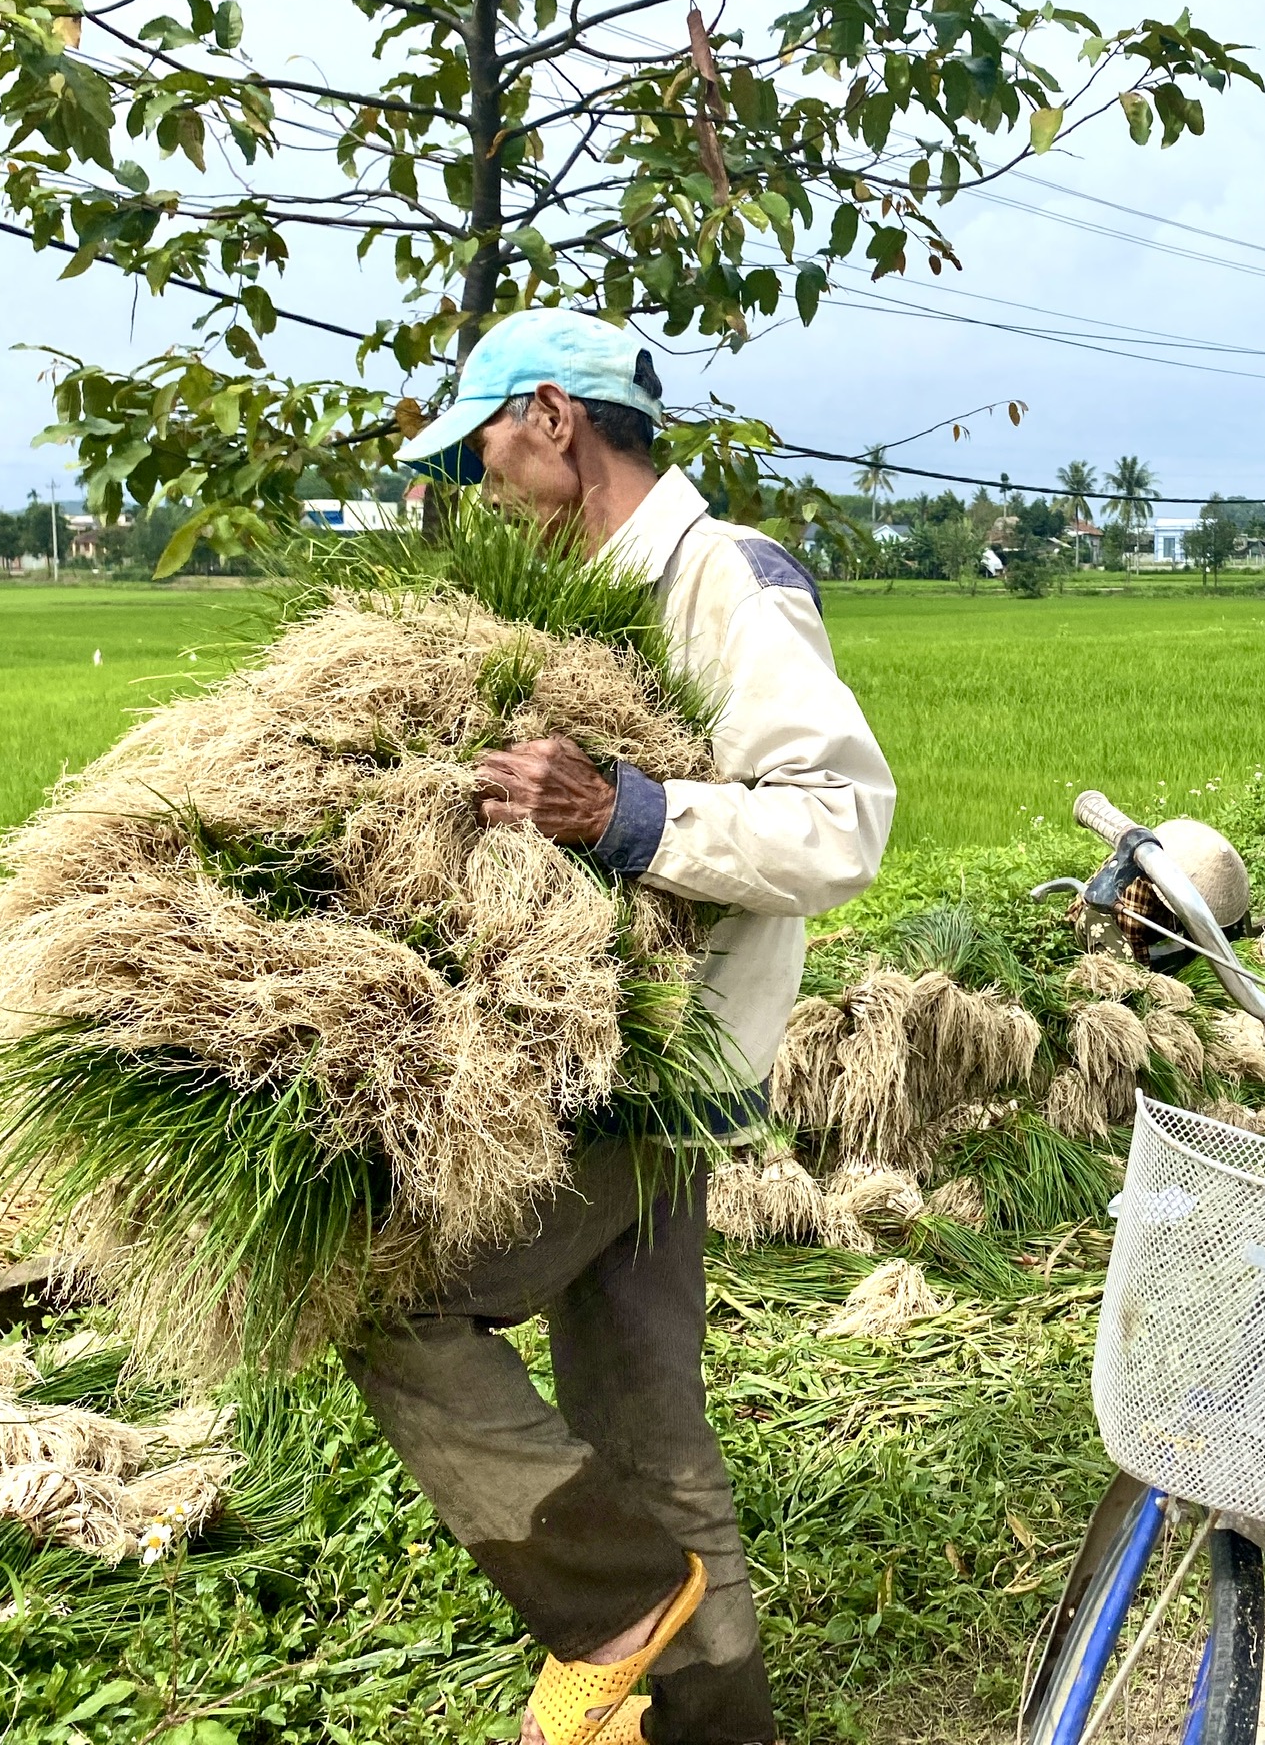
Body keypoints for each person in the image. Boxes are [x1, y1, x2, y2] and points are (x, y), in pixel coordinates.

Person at [367, 308, 897, 1745]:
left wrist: (621, 811)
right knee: (651, 1437)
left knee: (386, 1297)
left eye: (481, 452)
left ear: (551, 421)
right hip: (598, 1067)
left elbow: (842, 825)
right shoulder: (582, 594)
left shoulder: (722, 581)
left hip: (650, 1077)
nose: (478, 489)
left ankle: (604, 1605)